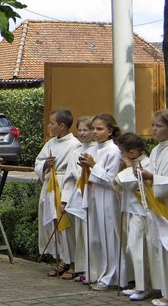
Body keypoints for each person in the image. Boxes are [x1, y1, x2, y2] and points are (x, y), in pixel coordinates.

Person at [80, 114, 126, 291]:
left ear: (110, 131)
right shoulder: (95, 149)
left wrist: (93, 166)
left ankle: (114, 276)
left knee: (110, 236)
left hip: (108, 197)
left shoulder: (114, 151)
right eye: (93, 128)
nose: (94, 132)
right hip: (95, 195)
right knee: (98, 237)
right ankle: (100, 272)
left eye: (99, 129)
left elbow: (111, 179)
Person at [34, 108, 81, 277]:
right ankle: (61, 260)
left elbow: (74, 170)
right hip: (50, 187)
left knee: (68, 226)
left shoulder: (75, 145)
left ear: (62, 125)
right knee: (54, 225)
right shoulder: (51, 143)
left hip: (64, 185)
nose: (49, 126)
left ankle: (74, 263)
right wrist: (45, 165)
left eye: (52, 123)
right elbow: (38, 163)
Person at [139, 109, 168, 306]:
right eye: (152, 125)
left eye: (159, 126)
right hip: (158, 207)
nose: (154, 129)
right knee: (163, 249)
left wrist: (153, 178)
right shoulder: (155, 150)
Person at [115, 133, 154, 301]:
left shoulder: (145, 163)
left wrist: (127, 167)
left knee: (138, 249)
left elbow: (128, 182)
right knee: (132, 247)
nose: (121, 155)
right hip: (131, 210)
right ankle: (139, 284)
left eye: (122, 152)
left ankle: (142, 288)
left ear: (131, 152)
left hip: (140, 212)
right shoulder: (137, 161)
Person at [62, 116, 97, 283]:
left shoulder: (97, 149)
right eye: (80, 130)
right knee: (79, 234)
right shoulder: (75, 151)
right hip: (78, 193)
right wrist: (64, 200)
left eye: (86, 130)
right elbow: (69, 178)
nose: (82, 133)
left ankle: (95, 269)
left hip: (93, 192)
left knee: (92, 233)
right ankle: (82, 267)